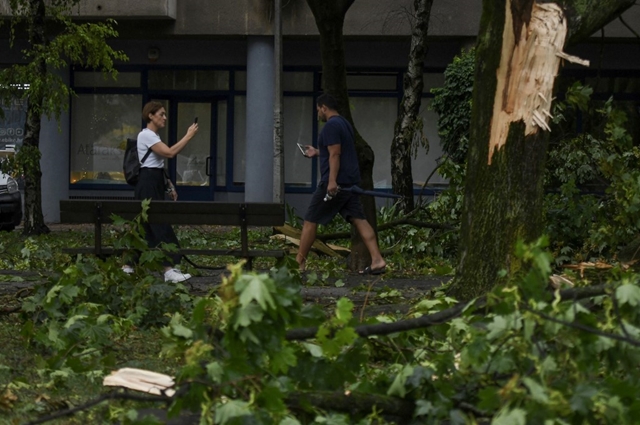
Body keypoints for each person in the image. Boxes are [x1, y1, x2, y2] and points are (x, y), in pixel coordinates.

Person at [297, 93, 386, 275]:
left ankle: (298, 263)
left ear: (323, 107)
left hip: (336, 184)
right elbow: (336, 150)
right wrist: (317, 152)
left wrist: (331, 182)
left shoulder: (331, 126)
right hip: (349, 182)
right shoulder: (344, 124)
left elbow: (335, 154)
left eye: (318, 110)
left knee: (310, 220)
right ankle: (377, 260)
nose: (318, 114)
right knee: (359, 219)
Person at [122, 101, 199, 283]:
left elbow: (156, 165)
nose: (164, 117)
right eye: (161, 114)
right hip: (148, 184)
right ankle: (168, 269)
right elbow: (170, 153)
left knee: (146, 225)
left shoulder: (152, 136)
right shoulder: (147, 135)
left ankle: (128, 266)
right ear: (151, 115)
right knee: (158, 223)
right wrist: (188, 136)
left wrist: (168, 185)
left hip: (152, 182)